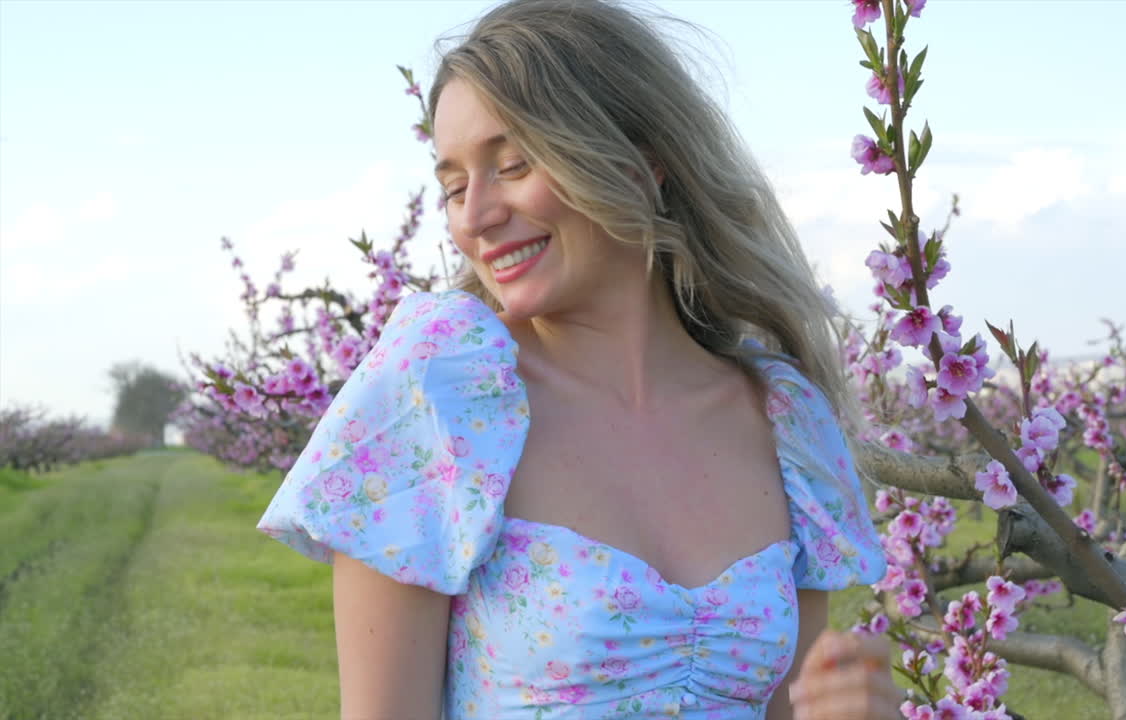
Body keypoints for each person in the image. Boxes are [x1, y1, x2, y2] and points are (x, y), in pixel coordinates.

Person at [258, 0, 899, 717]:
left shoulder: (782, 421)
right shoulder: (437, 399)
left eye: (513, 165)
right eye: (454, 187)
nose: (475, 216)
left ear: (643, 162)